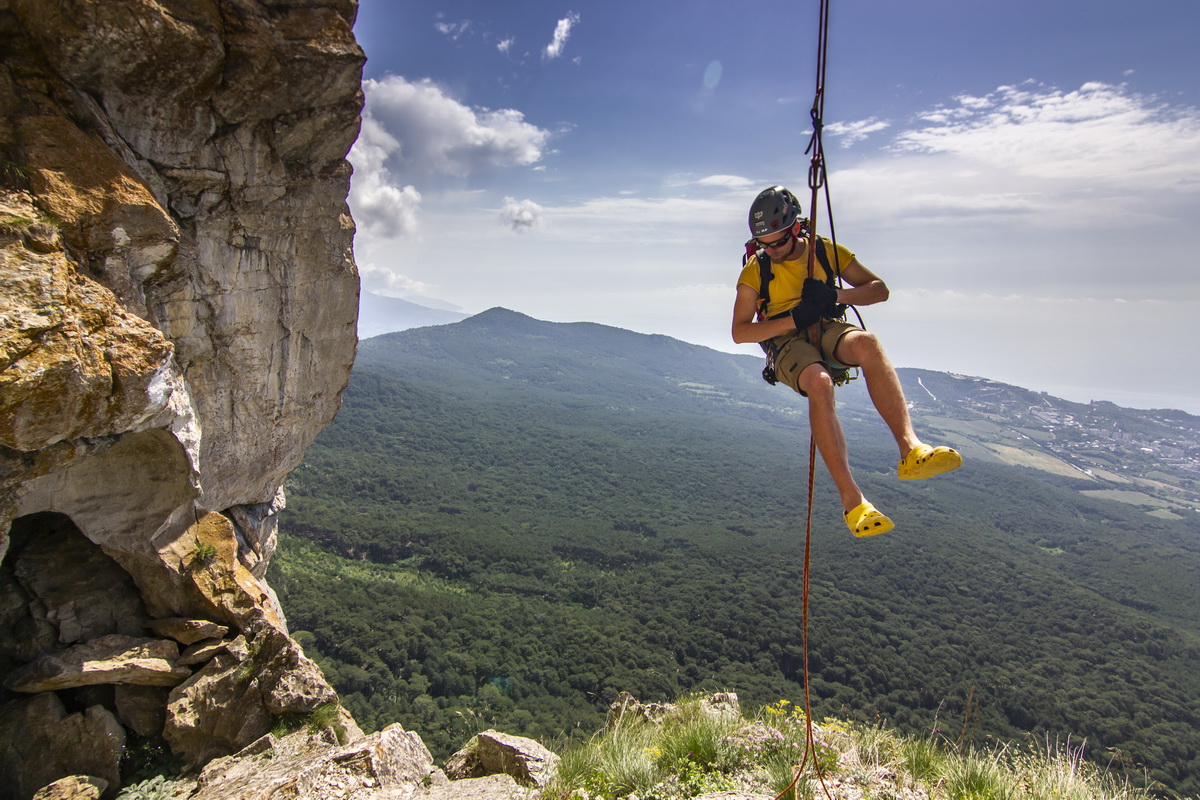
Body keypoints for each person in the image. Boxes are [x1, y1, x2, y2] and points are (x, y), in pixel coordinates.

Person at [731, 186, 961, 536]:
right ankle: (854, 503)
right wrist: (796, 317)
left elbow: (878, 289)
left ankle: (911, 450)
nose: (771, 250)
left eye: (777, 242)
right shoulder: (756, 269)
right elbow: (741, 331)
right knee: (819, 383)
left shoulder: (824, 252)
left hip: (826, 324)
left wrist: (835, 295)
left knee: (867, 343)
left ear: (795, 230)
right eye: (765, 244)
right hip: (785, 339)